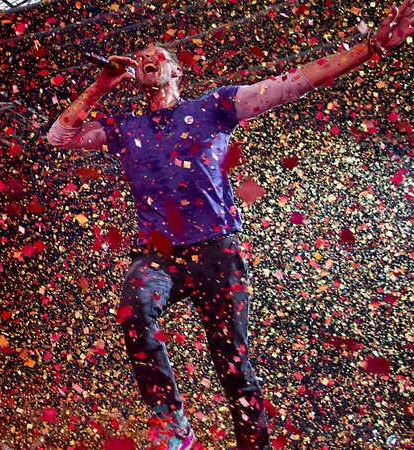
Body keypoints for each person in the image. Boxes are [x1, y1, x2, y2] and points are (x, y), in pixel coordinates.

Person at [47, 3, 414, 449]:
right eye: (142, 54)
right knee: (135, 308)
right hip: (158, 253)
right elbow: (59, 137)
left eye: (158, 53)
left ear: (176, 72)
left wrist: (370, 47)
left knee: (233, 364)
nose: (147, 56)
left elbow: (290, 84)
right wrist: (100, 85)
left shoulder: (214, 106)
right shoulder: (126, 127)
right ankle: (173, 423)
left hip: (217, 251)